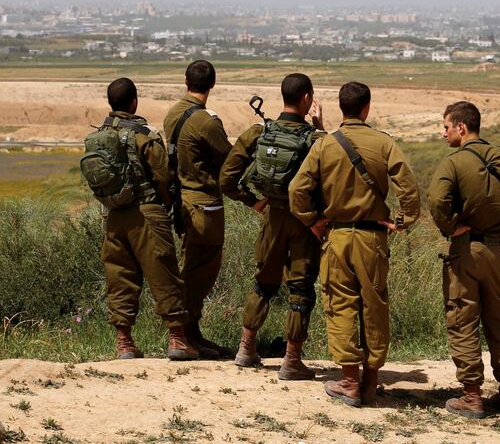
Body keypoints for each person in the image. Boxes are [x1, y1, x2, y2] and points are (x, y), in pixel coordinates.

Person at [288, 81, 420, 407]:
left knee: (340, 304)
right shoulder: (384, 143)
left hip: (337, 237)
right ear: (366, 108)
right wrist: (401, 222)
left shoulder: (325, 145)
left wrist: (313, 221)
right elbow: (410, 190)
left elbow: (297, 192)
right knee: (374, 306)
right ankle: (371, 383)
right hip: (373, 238)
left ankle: (349, 382)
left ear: (342, 107)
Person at [428, 101, 500, 419]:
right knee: (498, 321)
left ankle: (471, 395)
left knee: (463, 320)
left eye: (446, 126)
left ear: (461, 128)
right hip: (495, 251)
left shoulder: (453, 163)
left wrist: (451, 226)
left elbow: (437, 199)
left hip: (465, 249)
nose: (444, 132)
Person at [83, 77, 198, 361]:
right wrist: (167, 205)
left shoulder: (97, 137)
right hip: (147, 213)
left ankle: (124, 342)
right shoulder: (143, 135)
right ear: (134, 102)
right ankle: (177, 340)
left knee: (120, 276)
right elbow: (163, 176)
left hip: (114, 217)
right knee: (164, 275)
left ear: (111, 103)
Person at [220, 73, 326, 379]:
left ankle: (246, 349)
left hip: (272, 219)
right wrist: (320, 126)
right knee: (301, 289)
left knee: (263, 283)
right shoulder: (315, 140)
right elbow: (336, 166)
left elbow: (227, 178)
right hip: (305, 223)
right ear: (307, 99)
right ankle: (292, 360)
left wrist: (253, 201)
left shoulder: (259, 132)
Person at [163, 60, 231, 358]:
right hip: (205, 206)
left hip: (182, 204)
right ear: (212, 84)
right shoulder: (206, 121)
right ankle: (185, 334)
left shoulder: (172, 113)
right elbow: (229, 160)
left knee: (191, 267)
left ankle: (190, 334)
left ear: (185, 81)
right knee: (201, 272)